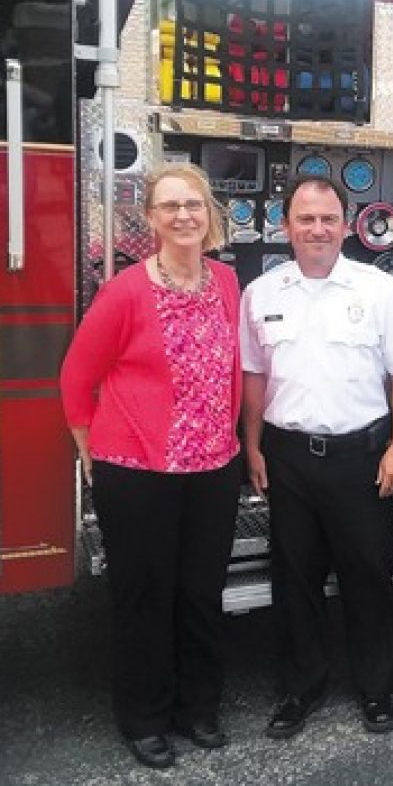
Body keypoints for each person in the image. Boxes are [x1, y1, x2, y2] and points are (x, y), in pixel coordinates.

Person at [240, 175, 393, 737]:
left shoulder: (378, 289)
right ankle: (300, 688)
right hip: (287, 457)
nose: (317, 229)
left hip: (360, 457)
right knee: (295, 578)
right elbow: (254, 375)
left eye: (328, 219)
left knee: (366, 575)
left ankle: (375, 688)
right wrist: (251, 444)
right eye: (306, 219)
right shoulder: (262, 292)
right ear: (286, 227)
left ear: (347, 226)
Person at [60, 163, 242, 770]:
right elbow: (77, 377)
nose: (184, 215)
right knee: (145, 595)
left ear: (209, 211)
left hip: (214, 466)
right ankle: (144, 717)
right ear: (151, 219)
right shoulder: (126, 291)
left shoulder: (226, 282)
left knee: (200, 593)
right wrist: (89, 449)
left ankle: (199, 708)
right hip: (137, 470)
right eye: (170, 207)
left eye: (193, 204)